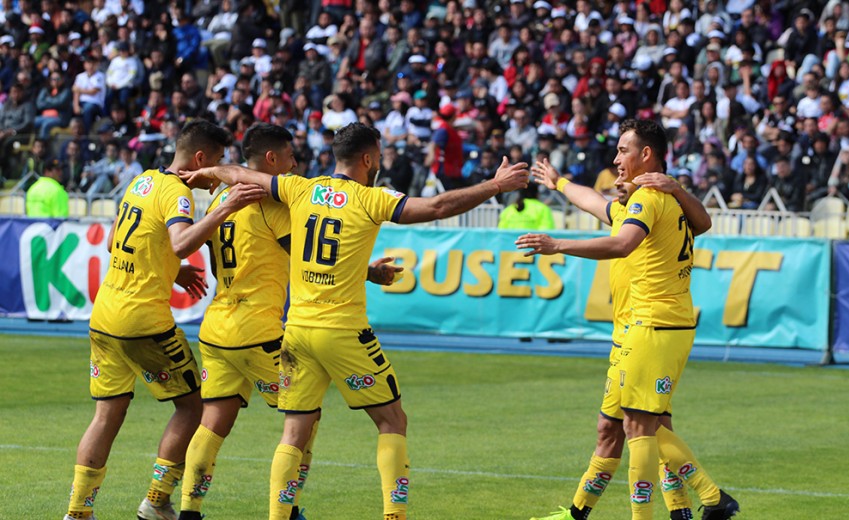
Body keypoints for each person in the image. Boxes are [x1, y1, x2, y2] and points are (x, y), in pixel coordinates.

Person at [180, 122, 529, 520]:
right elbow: (437, 207)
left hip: (295, 331)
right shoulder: (370, 198)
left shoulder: (299, 189)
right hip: (342, 331)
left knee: (294, 430)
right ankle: (394, 516)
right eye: (377, 158)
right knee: (392, 419)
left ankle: (276, 516)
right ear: (367, 159)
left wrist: (208, 171)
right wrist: (495, 185)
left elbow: (240, 173)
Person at [518, 119, 739, 520]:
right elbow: (595, 202)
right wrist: (559, 182)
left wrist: (557, 244)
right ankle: (669, 510)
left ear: (646, 155)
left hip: (652, 325)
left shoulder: (649, 199)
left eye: (623, 151)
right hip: (642, 327)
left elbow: (622, 245)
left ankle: (709, 499)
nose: (616, 162)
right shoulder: (646, 202)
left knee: (640, 427)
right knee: (625, 425)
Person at [178, 123, 401, 520]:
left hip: (215, 326)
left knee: (213, 422)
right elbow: (307, 252)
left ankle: (188, 511)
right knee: (303, 420)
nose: (295, 164)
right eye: (290, 157)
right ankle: (289, 508)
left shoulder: (220, 200)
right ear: (271, 159)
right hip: (257, 329)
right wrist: (369, 273)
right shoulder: (272, 204)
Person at [63, 120, 266, 520]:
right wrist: (226, 207)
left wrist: (172, 270)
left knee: (106, 414)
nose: (215, 174)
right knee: (192, 407)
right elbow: (181, 242)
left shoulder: (142, 180)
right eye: (217, 161)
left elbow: (115, 241)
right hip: (143, 321)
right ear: (200, 159)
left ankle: (78, 512)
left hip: (104, 316)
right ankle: (156, 501)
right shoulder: (177, 192)